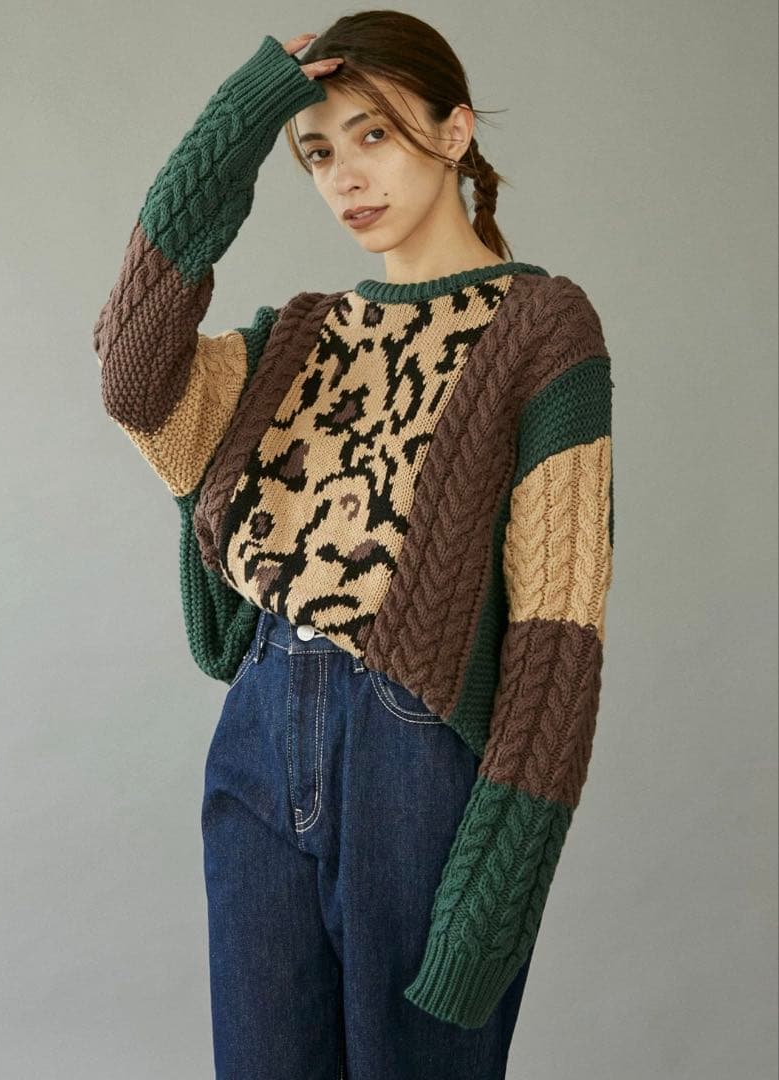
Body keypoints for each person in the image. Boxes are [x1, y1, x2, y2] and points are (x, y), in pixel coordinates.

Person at [92, 10, 615, 1079]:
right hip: (257, 731)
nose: (345, 176)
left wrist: (495, 895)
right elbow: (132, 371)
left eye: (374, 134)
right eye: (319, 152)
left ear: (455, 131)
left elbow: (557, 635)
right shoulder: (293, 339)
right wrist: (244, 117)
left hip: (414, 757)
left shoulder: (540, 328)